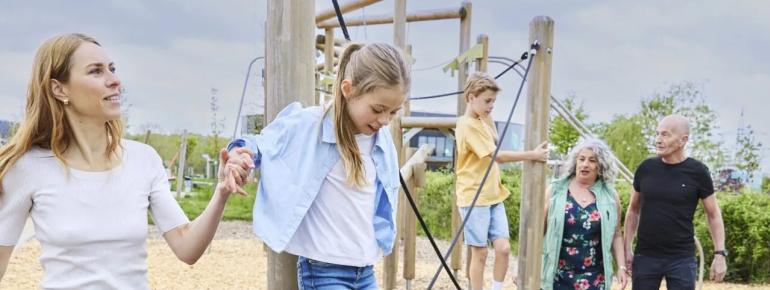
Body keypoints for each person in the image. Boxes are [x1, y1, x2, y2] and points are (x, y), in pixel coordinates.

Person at [0, 33, 246, 289]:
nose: (114, 80)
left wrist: (221, 193)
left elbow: (187, 247)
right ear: (59, 88)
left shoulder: (143, 159)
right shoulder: (27, 168)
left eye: (112, 69)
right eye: (96, 71)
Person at [224, 42, 410, 289]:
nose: (385, 120)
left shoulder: (381, 137)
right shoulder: (313, 123)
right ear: (348, 89)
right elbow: (262, 143)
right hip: (324, 271)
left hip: (365, 269)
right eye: (378, 109)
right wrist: (239, 154)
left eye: (393, 112)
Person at [454, 71, 549, 290]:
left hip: (493, 194)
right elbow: (497, 156)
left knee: (504, 248)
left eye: (494, 102)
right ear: (470, 97)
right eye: (487, 101)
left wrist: (485, 110)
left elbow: (495, 137)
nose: (491, 107)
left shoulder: (480, 121)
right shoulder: (467, 125)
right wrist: (531, 155)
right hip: (474, 196)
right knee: (480, 252)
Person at [624, 114, 727, 289]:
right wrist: (627, 248)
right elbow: (633, 210)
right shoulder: (645, 168)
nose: (658, 140)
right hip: (646, 257)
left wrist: (719, 255)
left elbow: (714, 215)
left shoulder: (698, 172)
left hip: (682, 259)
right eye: (657, 134)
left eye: (665, 134)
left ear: (683, 140)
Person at [512, 137, 628, 290]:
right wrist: (523, 266)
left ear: (600, 166)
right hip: (556, 274)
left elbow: (616, 234)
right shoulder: (555, 190)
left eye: (592, 160)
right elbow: (536, 231)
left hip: (594, 277)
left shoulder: (610, 196)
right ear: (575, 162)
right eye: (582, 159)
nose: (585, 164)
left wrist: (621, 267)